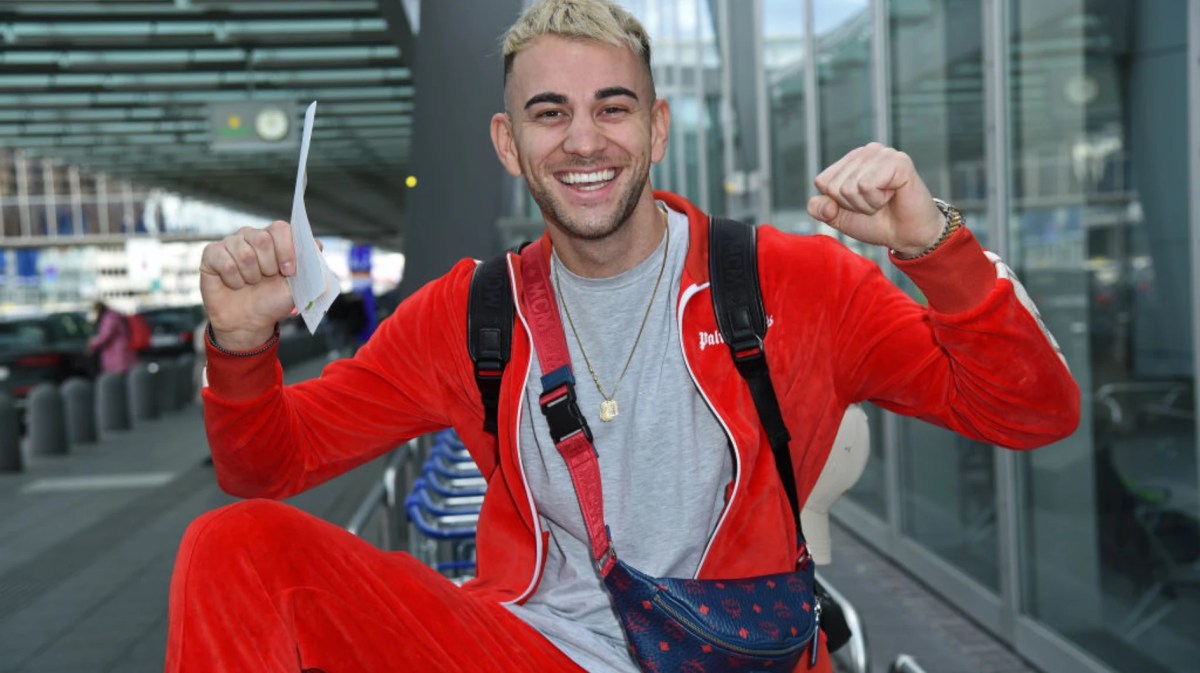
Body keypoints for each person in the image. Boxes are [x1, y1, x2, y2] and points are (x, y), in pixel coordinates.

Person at [165, 1, 1080, 671]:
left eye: (612, 106)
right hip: (529, 644)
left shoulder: (786, 281)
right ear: (507, 144)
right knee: (233, 544)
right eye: (549, 113)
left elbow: (1030, 409)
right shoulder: (472, 312)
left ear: (656, 128)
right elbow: (268, 466)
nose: (583, 140)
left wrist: (934, 244)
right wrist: (241, 349)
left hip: (731, 653)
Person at [86, 300, 136, 374]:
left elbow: (105, 336)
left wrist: (92, 343)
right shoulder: (113, 316)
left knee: (117, 376)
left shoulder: (109, 318)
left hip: (117, 354)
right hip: (120, 351)